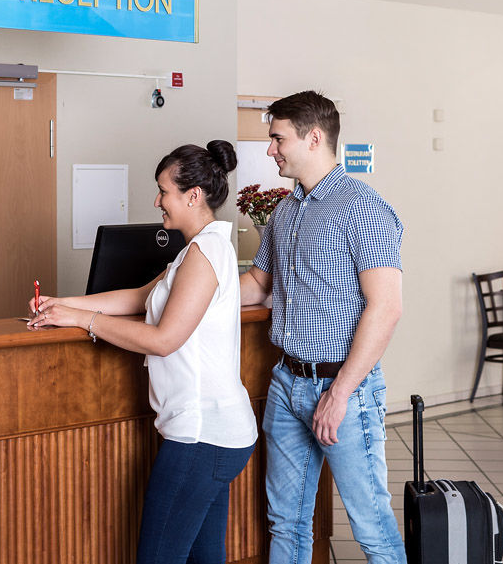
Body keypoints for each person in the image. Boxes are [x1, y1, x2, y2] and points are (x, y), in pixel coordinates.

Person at [29, 141, 257, 564]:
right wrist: (63, 305)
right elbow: (138, 298)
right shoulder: (196, 251)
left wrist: (85, 322)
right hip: (213, 433)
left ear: (192, 195)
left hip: (202, 434)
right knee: (205, 557)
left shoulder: (205, 254)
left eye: (163, 191)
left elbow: (164, 339)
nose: (157, 201)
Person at [239, 91, 405, 564]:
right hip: (287, 383)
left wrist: (339, 394)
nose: (270, 149)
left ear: (313, 138)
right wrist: (186, 295)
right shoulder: (286, 211)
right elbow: (257, 284)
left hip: (345, 392)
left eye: (277, 138)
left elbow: (386, 307)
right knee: (287, 524)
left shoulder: (363, 206)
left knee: (371, 527)